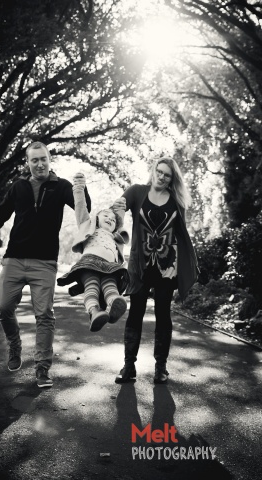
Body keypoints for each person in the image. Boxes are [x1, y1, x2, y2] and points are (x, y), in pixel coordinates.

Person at [0, 141, 91, 388]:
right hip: (14, 258)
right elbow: (1, 214)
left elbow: (84, 210)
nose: (39, 163)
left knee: (44, 315)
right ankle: (15, 345)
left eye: (43, 159)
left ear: (49, 160)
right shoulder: (18, 187)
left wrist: (81, 190)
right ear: (28, 163)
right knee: (4, 307)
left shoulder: (61, 186)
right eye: (34, 160)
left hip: (45, 262)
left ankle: (42, 368)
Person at [113, 156, 199, 385]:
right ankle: (129, 366)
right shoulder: (137, 192)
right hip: (140, 265)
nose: (161, 177)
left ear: (172, 179)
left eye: (166, 175)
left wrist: (185, 266)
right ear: (153, 170)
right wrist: (116, 210)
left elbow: (181, 233)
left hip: (167, 264)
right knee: (136, 313)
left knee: (163, 314)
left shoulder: (176, 201)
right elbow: (118, 210)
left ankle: (161, 367)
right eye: (159, 171)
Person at [57, 173, 130, 332]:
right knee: (92, 287)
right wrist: (78, 188)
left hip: (110, 267)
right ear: (96, 218)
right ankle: (94, 311)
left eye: (112, 219)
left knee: (110, 285)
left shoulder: (115, 237)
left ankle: (114, 304)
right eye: (105, 215)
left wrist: (120, 209)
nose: (110, 219)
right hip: (89, 263)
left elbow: (119, 220)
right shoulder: (88, 227)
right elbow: (80, 207)